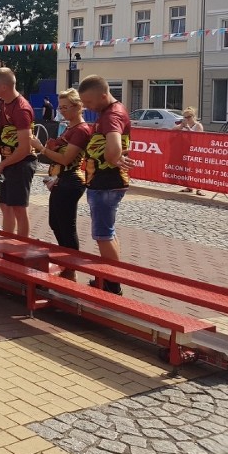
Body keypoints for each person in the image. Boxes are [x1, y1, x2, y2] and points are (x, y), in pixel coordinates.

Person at [78, 74, 132, 295]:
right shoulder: (107, 113)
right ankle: (110, 278)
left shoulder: (111, 116)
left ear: (103, 95)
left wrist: (112, 157)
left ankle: (112, 284)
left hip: (106, 182)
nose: (87, 108)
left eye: (89, 103)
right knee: (107, 233)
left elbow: (113, 147)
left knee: (103, 234)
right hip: (105, 181)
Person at [30, 88, 92, 279]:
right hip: (61, 178)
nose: (61, 110)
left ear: (78, 107)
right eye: (60, 106)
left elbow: (66, 159)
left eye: (65, 107)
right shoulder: (70, 128)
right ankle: (67, 263)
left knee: (66, 225)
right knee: (56, 222)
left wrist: (41, 148)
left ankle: (70, 268)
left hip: (71, 179)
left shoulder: (81, 130)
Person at [0, 67, 36, 238]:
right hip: (8, 160)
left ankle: (21, 248)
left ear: (4, 86)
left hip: (21, 163)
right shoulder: (5, 104)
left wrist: (2, 164)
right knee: (5, 205)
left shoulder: (21, 108)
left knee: (18, 208)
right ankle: (7, 242)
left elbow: (25, 148)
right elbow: (6, 133)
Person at [174, 107, 204, 195]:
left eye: (188, 117)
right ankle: (189, 186)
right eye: (185, 117)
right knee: (188, 169)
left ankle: (199, 188)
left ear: (193, 116)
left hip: (196, 150)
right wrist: (180, 126)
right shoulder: (184, 125)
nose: (187, 119)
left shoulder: (198, 125)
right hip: (186, 150)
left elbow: (198, 138)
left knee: (197, 169)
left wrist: (188, 128)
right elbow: (172, 130)